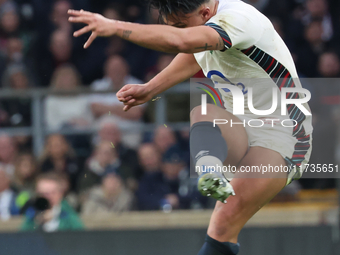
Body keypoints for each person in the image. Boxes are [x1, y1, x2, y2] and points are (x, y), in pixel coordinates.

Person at [69, 1, 313, 254]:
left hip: (286, 134)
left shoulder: (239, 19)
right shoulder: (209, 20)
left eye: (181, 25)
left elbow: (182, 42)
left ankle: (210, 170)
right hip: (243, 127)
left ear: (205, 13)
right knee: (203, 112)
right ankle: (210, 171)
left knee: (222, 223)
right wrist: (150, 89)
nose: (179, 31)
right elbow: (194, 54)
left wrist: (116, 26)